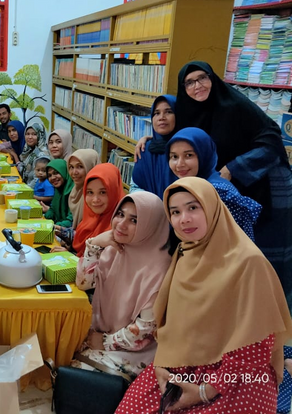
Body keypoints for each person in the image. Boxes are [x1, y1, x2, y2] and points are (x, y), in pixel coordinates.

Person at [116, 177, 292, 414]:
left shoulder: (248, 262)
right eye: (175, 212)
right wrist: (161, 365)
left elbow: (257, 344)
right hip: (183, 363)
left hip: (238, 374)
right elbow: (174, 324)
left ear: (212, 208)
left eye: (193, 207)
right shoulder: (185, 253)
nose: (184, 219)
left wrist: (205, 390)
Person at [175, 60, 292, 309]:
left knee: (262, 256)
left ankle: (269, 316)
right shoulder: (189, 111)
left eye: (203, 78)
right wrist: (148, 138)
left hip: (264, 185)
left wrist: (233, 168)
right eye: (190, 82)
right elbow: (172, 132)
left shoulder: (235, 105)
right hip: (229, 189)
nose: (198, 86)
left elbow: (272, 140)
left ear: (213, 78)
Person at [74, 191, 171, 378]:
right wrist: (94, 244)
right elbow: (84, 283)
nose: (121, 224)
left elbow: (144, 331)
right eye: (120, 214)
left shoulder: (159, 267)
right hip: (100, 332)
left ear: (150, 226)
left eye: (134, 220)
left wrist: (104, 341)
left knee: (77, 372)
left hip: (133, 351)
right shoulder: (115, 248)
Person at [166, 127, 261, 241]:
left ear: (204, 155)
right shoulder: (192, 186)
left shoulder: (217, 192)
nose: (179, 164)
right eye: (174, 157)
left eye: (189, 155)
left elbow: (227, 243)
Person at [54, 163, 125, 255]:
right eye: (90, 192)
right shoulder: (91, 217)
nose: (95, 200)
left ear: (114, 192)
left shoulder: (119, 230)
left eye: (103, 192)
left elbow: (100, 266)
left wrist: (72, 257)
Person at [131, 95, 176, 198]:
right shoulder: (143, 149)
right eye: (156, 113)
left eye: (169, 112)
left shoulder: (186, 150)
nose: (161, 118)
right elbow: (135, 187)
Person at [67, 149, 100, 229]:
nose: (74, 172)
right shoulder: (75, 190)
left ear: (91, 167)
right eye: (71, 167)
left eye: (80, 167)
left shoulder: (95, 197)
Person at [40, 159, 74, 228]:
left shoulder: (73, 192)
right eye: (49, 175)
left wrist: (53, 226)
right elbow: (54, 212)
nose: (52, 178)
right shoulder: (58, 190)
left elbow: (71, 221)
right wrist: (48, 212)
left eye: (56, 173)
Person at [18, 123, 50, 187]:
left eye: (34, 134)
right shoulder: (29, 150)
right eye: (27, 134)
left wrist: (23, 188)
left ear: (40, 135)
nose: (30, 137)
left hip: (35, 192)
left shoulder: (42, 155)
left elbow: (38, 180)